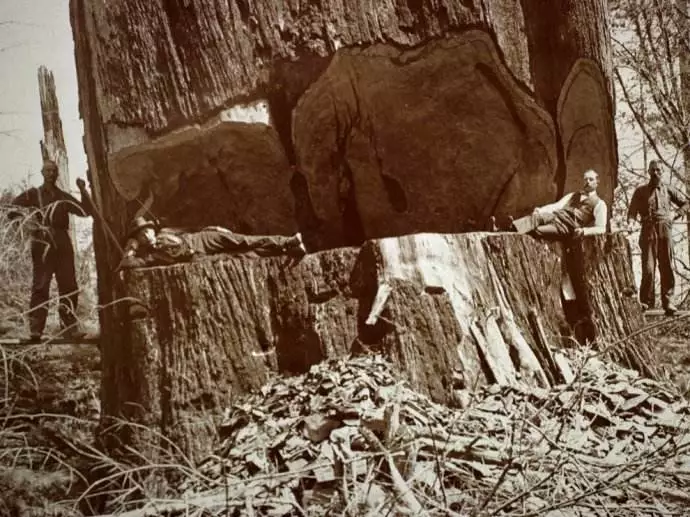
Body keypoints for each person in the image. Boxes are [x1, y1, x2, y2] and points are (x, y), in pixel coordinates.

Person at [8, 159, 92, 340]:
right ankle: (36, 330)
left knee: (69, 286)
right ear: (42, 172)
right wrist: (27, 226)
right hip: (42, 243)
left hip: (63, 244)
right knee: (41, 286)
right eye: (47, 170)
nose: (51, 174)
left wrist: (83, 189)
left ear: (57, 174)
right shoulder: (33, 194)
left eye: (54, 171)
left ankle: (69, 329)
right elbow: (11, 208)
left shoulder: (63, 196)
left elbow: (85, 211)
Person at [117, 216, 308, 269]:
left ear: (152, 229)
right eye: (142, 236)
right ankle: (287, 250)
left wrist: (214, 229)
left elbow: (191, 227)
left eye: (148, 231)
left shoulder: (167, 231)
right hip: (198, 259)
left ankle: (288, 241)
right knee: (243, 257)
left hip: (203, 239)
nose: (147, 236)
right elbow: (127, 263)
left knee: (244, 241)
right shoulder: (151, 257)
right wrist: (131, 248)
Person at [627, 160, 688, 316]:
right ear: (648, 171)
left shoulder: (668, 189)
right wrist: (631, 223)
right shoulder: (640, 191)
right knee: (648, 268)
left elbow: (686, 203)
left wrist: (675, 214)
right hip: (648, 230)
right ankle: (646, 302)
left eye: (659, 170)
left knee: (666, 265)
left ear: (663, 172)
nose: (656, 173)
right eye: (653, 170)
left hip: (665, 229)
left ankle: (668, 301)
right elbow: (632, 212)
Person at [513, 169, 608, 239]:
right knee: (535, 218)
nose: (587, 182)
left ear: (597, 182)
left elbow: (601, 228)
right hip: (555, 217)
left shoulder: (599, 204)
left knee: (537, 230)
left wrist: (584, 231)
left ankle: (515, 231)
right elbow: (557, 206)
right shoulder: (573, 195)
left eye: (591, 179)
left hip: (566, 227)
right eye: (585, 179)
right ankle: (509, 228)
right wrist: (540, 210)